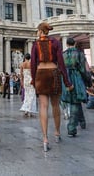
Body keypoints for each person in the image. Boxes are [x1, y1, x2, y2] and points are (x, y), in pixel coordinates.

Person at [31, 22, 73, 152]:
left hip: (41, 74)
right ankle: (57, 133)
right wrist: (67, 82)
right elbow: (61, 63)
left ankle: (44, 138)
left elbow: (33, 63)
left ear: (40, 31)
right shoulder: (55, 43)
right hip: (54, 73)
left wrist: (33, 79)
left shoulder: (35, 44)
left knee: (43, 106)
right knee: (55, 105)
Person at [62, 38, 88, 137]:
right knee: (75, 100)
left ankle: (82, 121)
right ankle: (71, 127)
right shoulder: (79, 53)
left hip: (65, 78)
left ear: (66, 44)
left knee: (75, 100)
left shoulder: (63, 54)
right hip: (76, 77)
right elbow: (83, 69)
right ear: (75, 43)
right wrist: (88, 81)